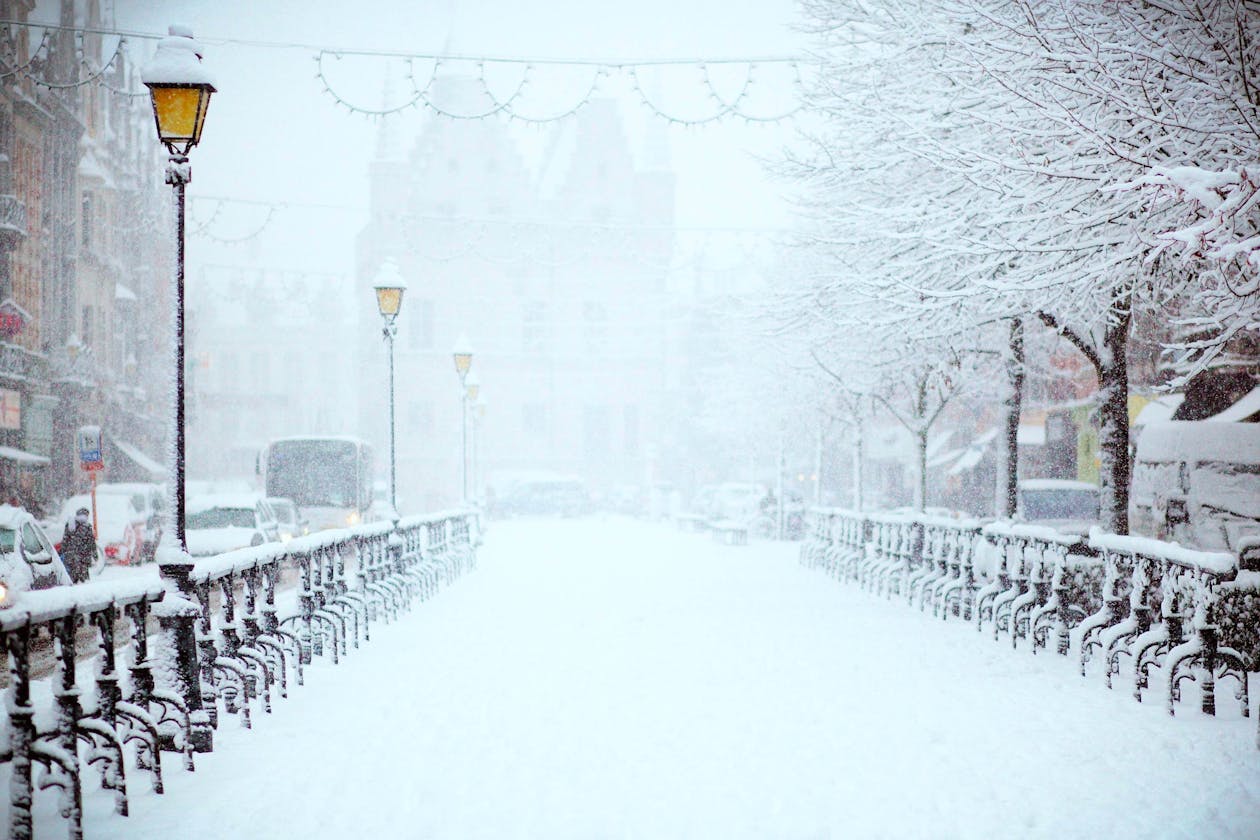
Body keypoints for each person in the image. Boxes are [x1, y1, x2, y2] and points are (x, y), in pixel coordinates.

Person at [61, 507, 96, 584]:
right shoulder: (87, 526)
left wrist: (63, 551)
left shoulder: (70, 524)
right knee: (83, 580)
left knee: (72, 578)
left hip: (71, 557)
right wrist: (94, 554)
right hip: (83, 558)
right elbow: (91, 542)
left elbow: (65, 540)